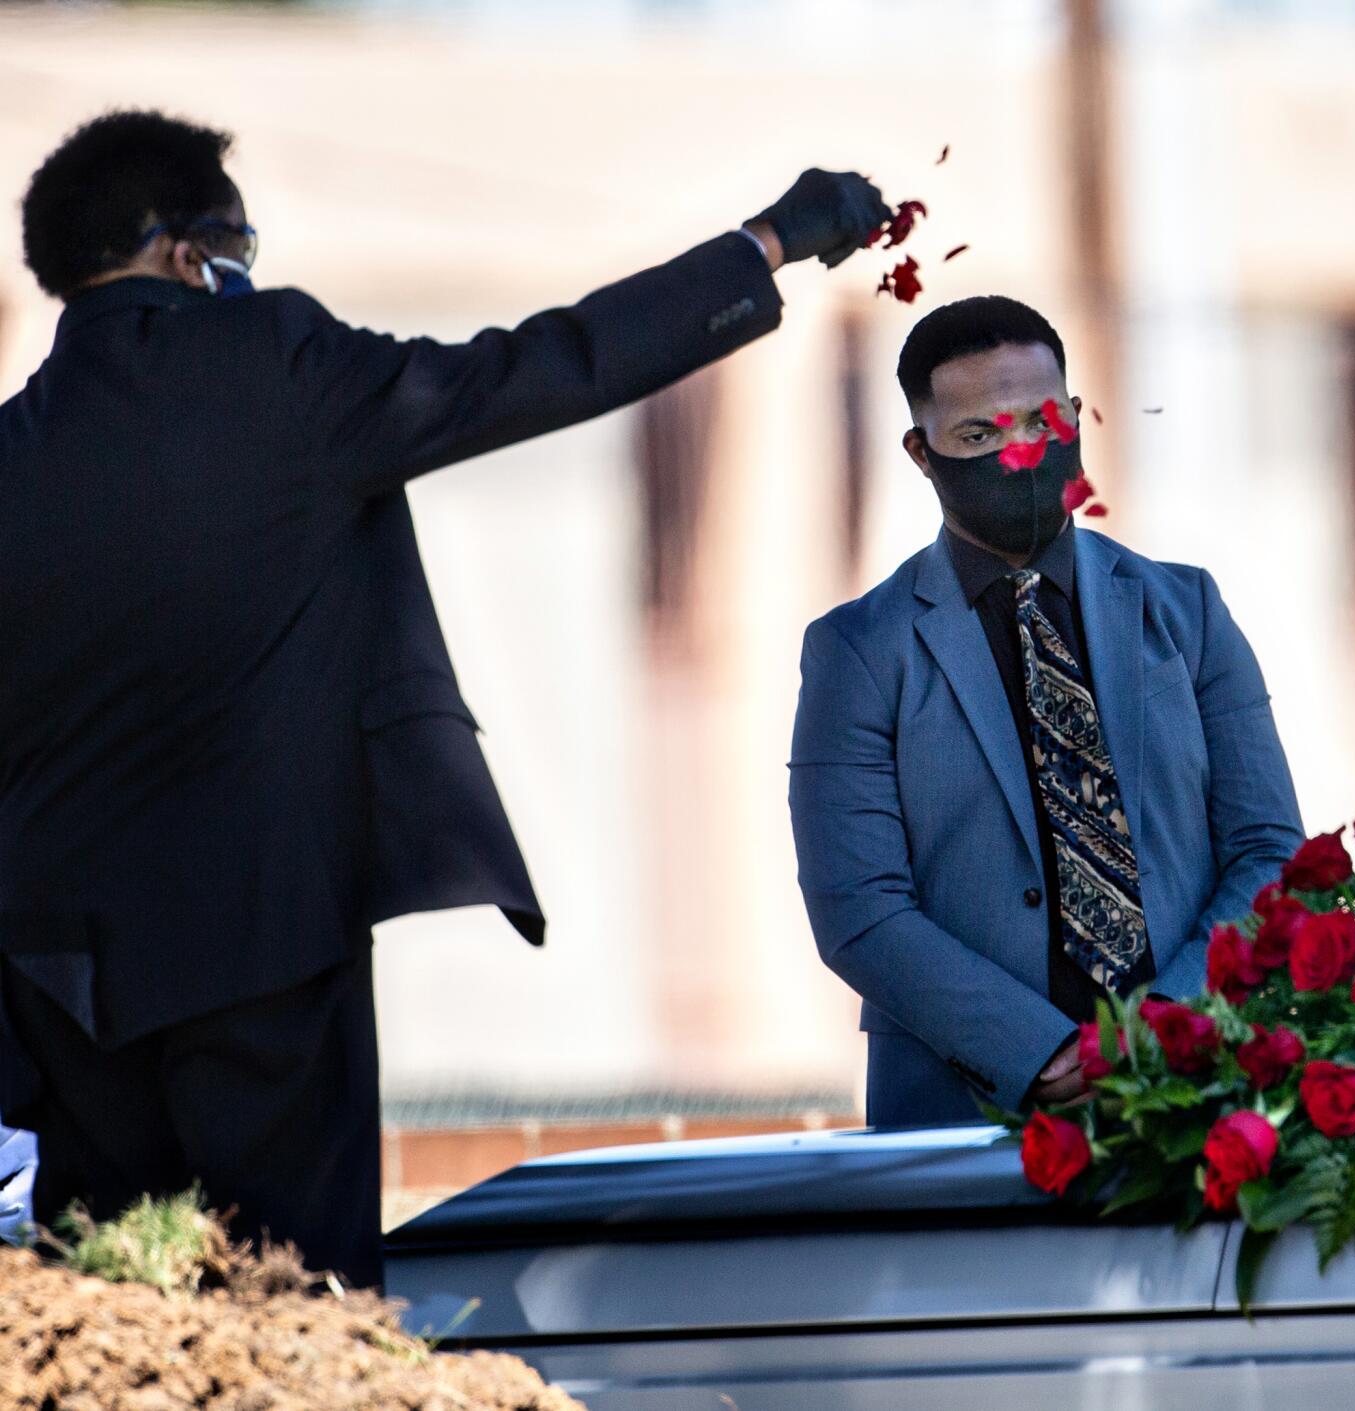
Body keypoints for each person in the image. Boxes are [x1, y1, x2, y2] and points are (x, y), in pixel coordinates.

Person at [0, 109, 891, 1286]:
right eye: (241, 246)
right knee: (294, 1313)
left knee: (113, 1315)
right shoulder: (278, 363)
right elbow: (540, 365)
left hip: (62, 983)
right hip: (264, 944)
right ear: (180, 250)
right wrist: (764, 246)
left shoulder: (17, 448)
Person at [789, 296, 1305, 1127]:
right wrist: (1033, 1050)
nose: (1019, 452)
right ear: (922, 453)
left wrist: (1157, 1028)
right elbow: (859, 908)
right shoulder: (858, 651)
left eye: (1040, 420)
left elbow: (1269, 847)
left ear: (1074, 416)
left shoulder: (1189, 610)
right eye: (978, 436)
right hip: (959, 1114)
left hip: (1200, 1091)